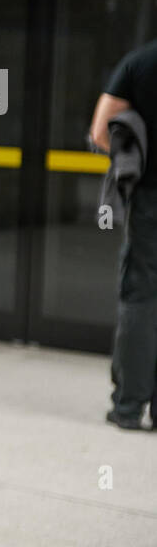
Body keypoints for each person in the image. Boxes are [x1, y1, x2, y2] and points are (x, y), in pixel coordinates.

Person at [90, 37, 157, 430]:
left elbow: (101, 131)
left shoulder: (139, 63)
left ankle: (129, 407)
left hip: (149, 198)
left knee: (141, 297)